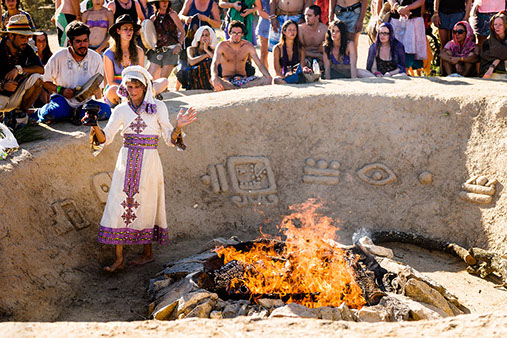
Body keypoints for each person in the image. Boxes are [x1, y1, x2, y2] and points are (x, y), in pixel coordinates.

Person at [89, 65, 197, 272]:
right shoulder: (120, 110)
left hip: (149, 163)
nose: (132, 90)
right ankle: (118, 259)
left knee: (147, 204)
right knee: (118, 204)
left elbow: (168, 138)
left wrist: (179, 126)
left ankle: (148, 253)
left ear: (145, 87)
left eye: (136, 86)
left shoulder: (159, 108)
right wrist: (93, 125)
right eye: (128, 86)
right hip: (126, 161)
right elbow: (106, 138)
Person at [33, 21, 111, 124]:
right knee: (52, 113)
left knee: (106, 111)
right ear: (70, 42)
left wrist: (92, 91)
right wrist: (61, 90)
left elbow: (98, 86)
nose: (83, 45)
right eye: (78, 41)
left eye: (85, 40)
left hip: (85, 102)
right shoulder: (59, 56)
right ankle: (38, 112)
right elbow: (44, 81)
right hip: (62, 100)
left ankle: (74, 114)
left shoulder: (96, 58)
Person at [0, 14, 43, 128]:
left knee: (38, 79)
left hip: (15, 97)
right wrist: (3, 85)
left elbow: (41, 69)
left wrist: (20, 69)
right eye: (22, 37)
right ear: (11, 35)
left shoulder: (25, 48)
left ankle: (20, 114)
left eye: (28, 37)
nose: (26, 40)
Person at [210, 20, 272, 91]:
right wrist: (214, 77)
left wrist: (268, 76)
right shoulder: (222, 46)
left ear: (242, 34)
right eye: (234, 33)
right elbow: (214, 64)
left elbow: (259, 63)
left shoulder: (248, 46)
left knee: (265, 79)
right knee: (212, 80)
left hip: (243, 80)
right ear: (229, 33)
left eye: (239, 33)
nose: (236, 36)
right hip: (227, 80)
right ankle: (238, 89)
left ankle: (238, 89)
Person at [147, 0, 185, 81]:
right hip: (158, 51)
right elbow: (149, 36)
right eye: (162, 1)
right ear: (157, 3)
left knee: (162, 79)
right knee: (148, 76)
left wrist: (179, 45)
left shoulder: (172, 15)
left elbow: (182, 32)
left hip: (171, 50)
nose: (165, 3)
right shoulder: (153, 18)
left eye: (166, 1)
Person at [387, 0, 427, 71]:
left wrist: (408, 8)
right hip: (396, 19)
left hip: (413, 19)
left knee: (409, 48)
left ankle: (404, 71)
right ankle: (395, 70)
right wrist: (398, 7)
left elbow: (421, 1)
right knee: (395, 46)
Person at [176, 25, 217, 89]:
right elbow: (191, 62)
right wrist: (205, 55)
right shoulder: (191, 49)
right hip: (194, 75)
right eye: (202, 35)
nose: (204, 37)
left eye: (206, 35)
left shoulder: (212, 50)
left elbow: (216, 61)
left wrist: (206, 49)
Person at [480, 11, 507, 78]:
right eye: (495, 24)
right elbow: (489, 56)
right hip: (493, 69)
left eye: (500, 24)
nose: (497, 27)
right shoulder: (489, 41)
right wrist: (492, 67)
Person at [33, 32, 53, 107]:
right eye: (39, 40)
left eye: (44, 40)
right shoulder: (31, 55)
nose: (41, 43)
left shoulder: (50, 56)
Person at [256, 0, 271, 68]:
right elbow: (259, 11)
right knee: (264, 53)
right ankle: (264, 74)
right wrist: (272, 19)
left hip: (280, 19)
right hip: (265, 21)